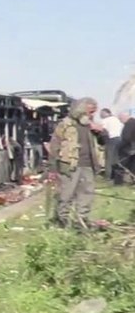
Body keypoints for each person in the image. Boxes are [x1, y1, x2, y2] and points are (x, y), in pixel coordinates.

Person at [48, 97, 107, 229]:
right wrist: (52, 168)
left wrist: (100, 132)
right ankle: (62, 221)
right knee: (66, 194)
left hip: (89, 165)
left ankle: (81, 221)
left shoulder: (91, 126)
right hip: (69, 165)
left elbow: (104, 141)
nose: (92, 115)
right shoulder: (66, 124)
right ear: (80, 110)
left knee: (87, 194)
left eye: (94, 112)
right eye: (90, 112)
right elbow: (54, 145)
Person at [100, 108, 124, 184]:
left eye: (102, 113)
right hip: (119, 139)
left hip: (111, 139)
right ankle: (117, 176)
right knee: (116, 158)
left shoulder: (105, 120)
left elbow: (103, 131)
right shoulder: (117, 119)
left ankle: (108, 176)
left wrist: (101, 141)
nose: (100, 115)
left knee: (109, 158)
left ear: (106, 113)